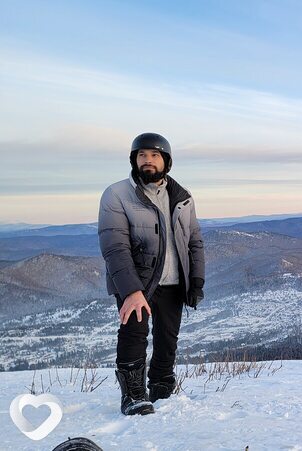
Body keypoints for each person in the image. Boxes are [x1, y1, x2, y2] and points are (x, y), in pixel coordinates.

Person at [98, 132, 205, 415]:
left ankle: (162, 388)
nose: (148, 160)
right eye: (142, 155)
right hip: (137, 283)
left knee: (168, 339)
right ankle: (133, 396)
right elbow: (114, 246)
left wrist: (196, 280)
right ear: (133, 160)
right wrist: (131, 290)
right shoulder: (117, 194)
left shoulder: (182, 197)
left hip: (174, 282)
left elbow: (194, 240)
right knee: (134, 335)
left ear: (166, 161)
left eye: (155, 155)